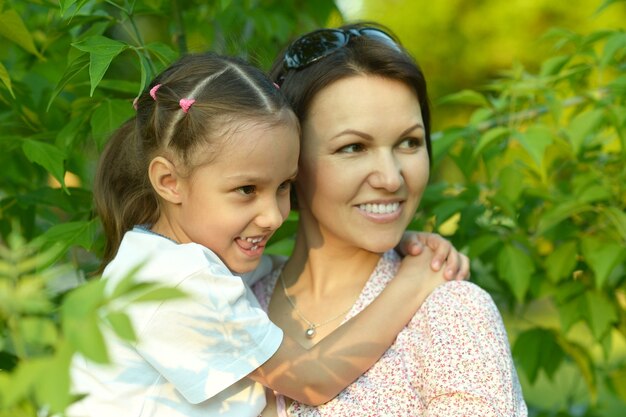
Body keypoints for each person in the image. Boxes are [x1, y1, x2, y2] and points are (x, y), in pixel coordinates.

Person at [67, 52, 468, 417]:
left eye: (284, 186)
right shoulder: (182, 282)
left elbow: (274, 269)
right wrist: (414, 281)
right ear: (169, 181)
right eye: (246, 190)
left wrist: (391, 239)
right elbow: (312, 379)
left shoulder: (162, 259)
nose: (274, 216)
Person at [253, 23, 527, 416]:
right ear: (289, 161)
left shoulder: (451, 315)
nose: (392, 177)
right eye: (354, 147)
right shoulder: (236, 302)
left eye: (409, 142)